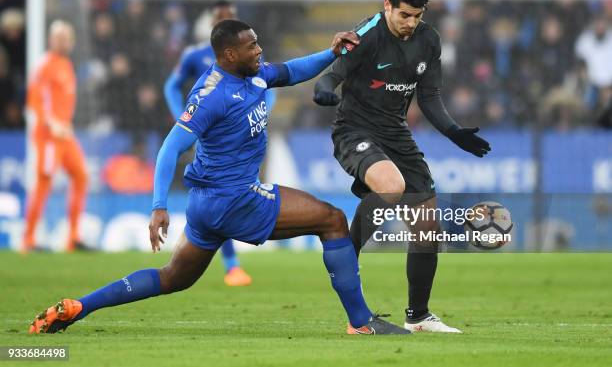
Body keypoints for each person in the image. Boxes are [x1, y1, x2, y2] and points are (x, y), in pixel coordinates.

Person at [29, 20, 409, 335]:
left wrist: (332, 53)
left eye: (258, 43)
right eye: (252, 46)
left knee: (173, 278)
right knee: (333, 220)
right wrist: (159, 206)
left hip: (208, 205)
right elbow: (169, 149)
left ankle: (79, 307)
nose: (259, 50)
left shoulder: (255, 75)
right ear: (230, 55)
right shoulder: (211, 95)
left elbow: (293, 71)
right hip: (235, 199)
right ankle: (362, 322)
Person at [313, 0, 491, 333]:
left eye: (417, 15)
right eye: (404, 15)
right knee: (390, 185)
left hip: (396, 133)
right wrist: (323, 89)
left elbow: (428, 97)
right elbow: (331, 77)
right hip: (354, 131)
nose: (411, 23)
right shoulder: (366, 35)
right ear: (387, 6)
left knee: (428, 225)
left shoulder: (429, 39)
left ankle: (419, 316)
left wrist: (454, 132)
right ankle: (347, 252)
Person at [164, 0, 263, 287]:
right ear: (211, 22)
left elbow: (269, 80)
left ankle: (223, 260)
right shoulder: (195, 56)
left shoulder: (247, 55)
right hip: (211, 130)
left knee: (231, 191)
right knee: (221, 192)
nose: (224, 19)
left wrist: (263, 105)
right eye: (220, 16)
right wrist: (179, 117)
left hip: (243, 127)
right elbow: (170, 85)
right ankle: (231, 264)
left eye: (229, 16)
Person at [23, 20, 88, 252]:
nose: (63, 41)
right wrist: (52, 123)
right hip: (49, 135)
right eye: (58, 37)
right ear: (51, 39)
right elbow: (35, 100)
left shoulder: (66, 64)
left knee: (81, 176)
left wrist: (64, 124)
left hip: (65, 134)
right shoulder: (44, 65)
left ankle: (73, 238)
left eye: (66, 37)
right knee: (44, 182)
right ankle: (28, 240)